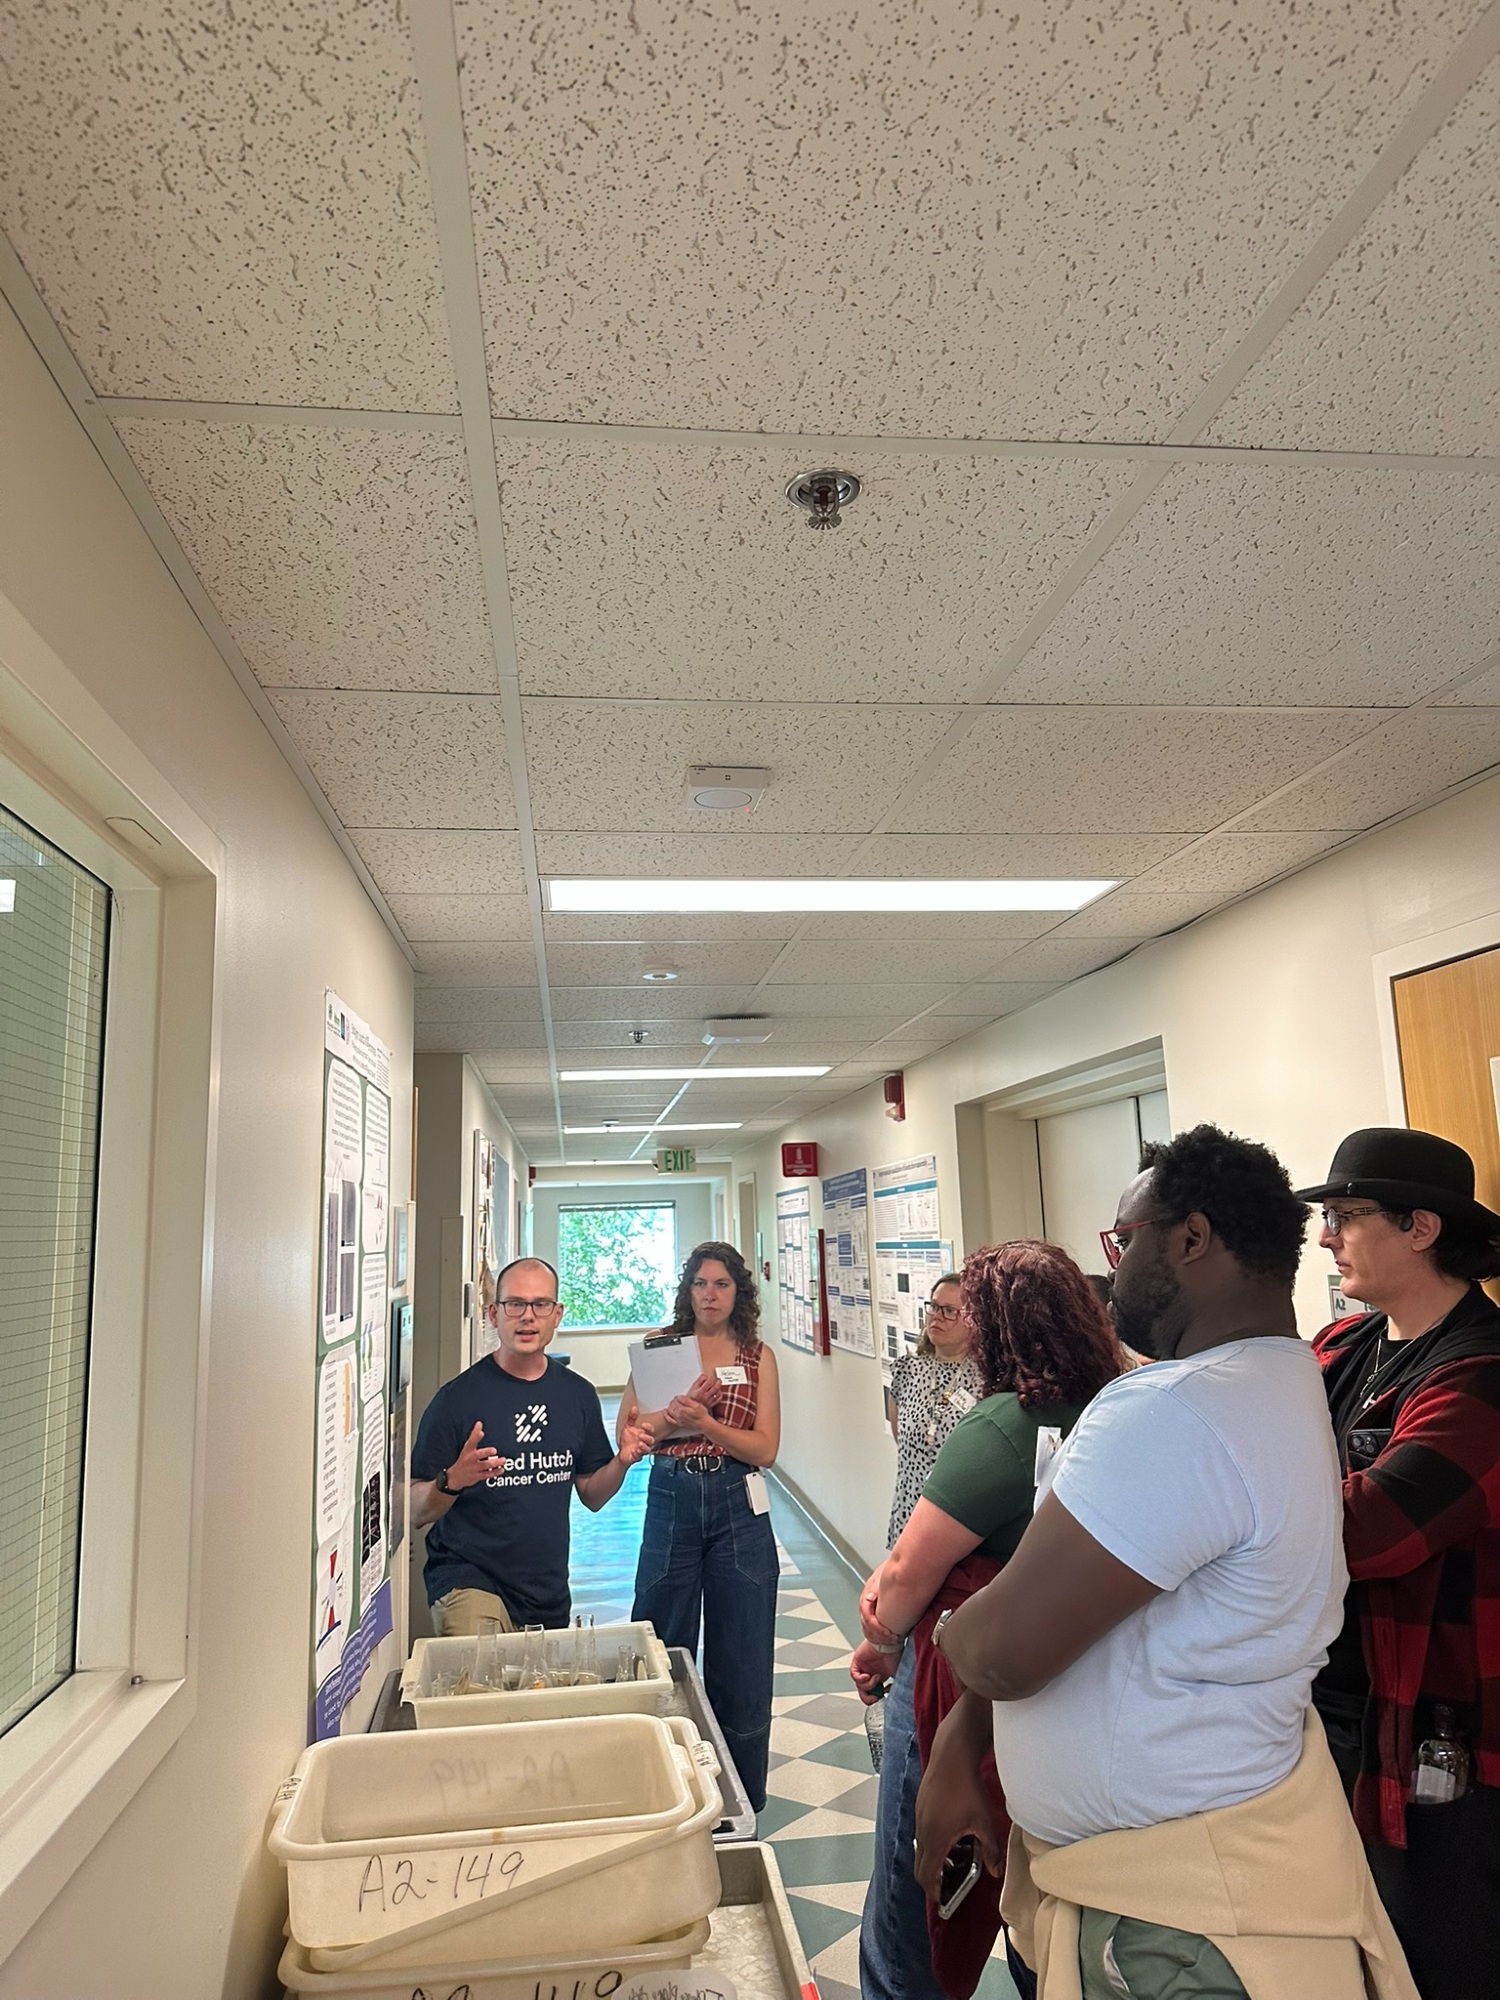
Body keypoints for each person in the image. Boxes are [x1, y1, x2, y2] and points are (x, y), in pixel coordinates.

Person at [915, 1127, 1414, 2000]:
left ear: (1190, 1238)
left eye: (1125, 1238)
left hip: (1177, 1935)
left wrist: (953, 1626)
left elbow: (1004, 1651)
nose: (1114, 1265)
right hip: (1190, 1888)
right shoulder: (1280, 1379)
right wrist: (966, 1732)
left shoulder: (1176, 1409)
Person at [854, 1241, 1123, 2000]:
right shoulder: (1119, 1403)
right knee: (1038, 1893)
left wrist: (880, 1640)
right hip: (1076, 1673)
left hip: (965, 1674)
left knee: (920, 1887)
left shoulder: (1005, 1422)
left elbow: (908, 1573)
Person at [1300, 1127, 1500, 2000]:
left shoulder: (1483, 1371)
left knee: (1439, 1961)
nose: (1326, 1237)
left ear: (1421, 1227)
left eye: (1346, 1215)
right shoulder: (1339, 1349)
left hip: (1439, 1738)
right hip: (1332, 1715)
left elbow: (1366, 1531)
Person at [620, 1240, 781, 1809]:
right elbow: (630, 1435)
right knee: (661, 1639)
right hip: (672, 1495)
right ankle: (663, 1785)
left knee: (744, 1652)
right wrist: (677, 1413)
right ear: (687, 1290)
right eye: (700, 1284)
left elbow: (765, 1449)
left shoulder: (757, 1356)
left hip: (739, 1501)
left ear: (739, 1292)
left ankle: (740, 1799)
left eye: (721, 1284)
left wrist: (707, 1423)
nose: (710, 1295)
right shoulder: (661, 1347)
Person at [411, 1255, 652, 1633]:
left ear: (557, 1315)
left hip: (545, 1590)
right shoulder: (457, 1400)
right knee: (484, 1670)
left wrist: (622, 1461)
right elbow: (414, 1509)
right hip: (468, 1577)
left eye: (540, 1305)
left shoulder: (577, 1395)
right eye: (515, 1304)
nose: (528, 1316)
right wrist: (452, 1479)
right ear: (494, 1314)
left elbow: (592, 1494)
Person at [885, 1272, 985, 1547]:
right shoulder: (907, 1371)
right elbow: (900, 1435)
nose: (936, 1317)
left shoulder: (988, 1380)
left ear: (975, 1320)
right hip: (910, 1509)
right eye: (934, 1307)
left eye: (950, 1311)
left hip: (959, 1518)